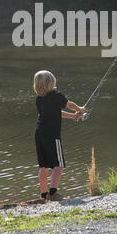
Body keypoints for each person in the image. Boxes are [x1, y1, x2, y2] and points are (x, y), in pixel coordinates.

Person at [33, 70, 86, 201]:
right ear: (51, 83)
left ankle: (44, 195)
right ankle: (53, 193)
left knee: (44, 166)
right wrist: (80, 109)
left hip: (39, 134)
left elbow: (58, 112)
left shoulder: (39, 99)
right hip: (52, 134)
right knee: (59, 164)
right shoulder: (56, 95)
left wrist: (73, 116)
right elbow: (69, 104)